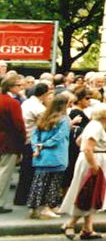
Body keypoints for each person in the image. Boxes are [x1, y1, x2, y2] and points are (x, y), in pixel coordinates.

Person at [59, 102, 106, 240]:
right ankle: (70, 224)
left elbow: (79, 141)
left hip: (92, 158)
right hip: (95, 159)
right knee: (88, 193)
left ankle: (87, 228)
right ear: (105, 115)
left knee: (92, 194)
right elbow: (87, 148)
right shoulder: (96, 127)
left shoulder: (93, 125)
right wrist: (94, 165)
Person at [28, 93, 71, 220]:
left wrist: (37, 147)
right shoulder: (64, 120)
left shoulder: (43, 118)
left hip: (41, 157)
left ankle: (35, 209)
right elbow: (59, 137)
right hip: (57, 155)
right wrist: (46, 144)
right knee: (53, 183)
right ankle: (47, 207)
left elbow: (34, 136)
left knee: (39, 183)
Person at [15, 80, 52, 206]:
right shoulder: (39, 107)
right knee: (30, 171)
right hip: (32, 140)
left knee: (25, 170)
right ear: (44, 94)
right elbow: (47, 123)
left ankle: (20, 197)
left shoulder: (26, 102)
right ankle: (26, 197)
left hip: (26, 139)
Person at [0, 74, 26, 214]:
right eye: (19, 85)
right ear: (11, 87)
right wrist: (22, 142)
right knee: (4, 173)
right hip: (8, 142)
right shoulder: (12, 103)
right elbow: (19, 125)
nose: (21, 88)